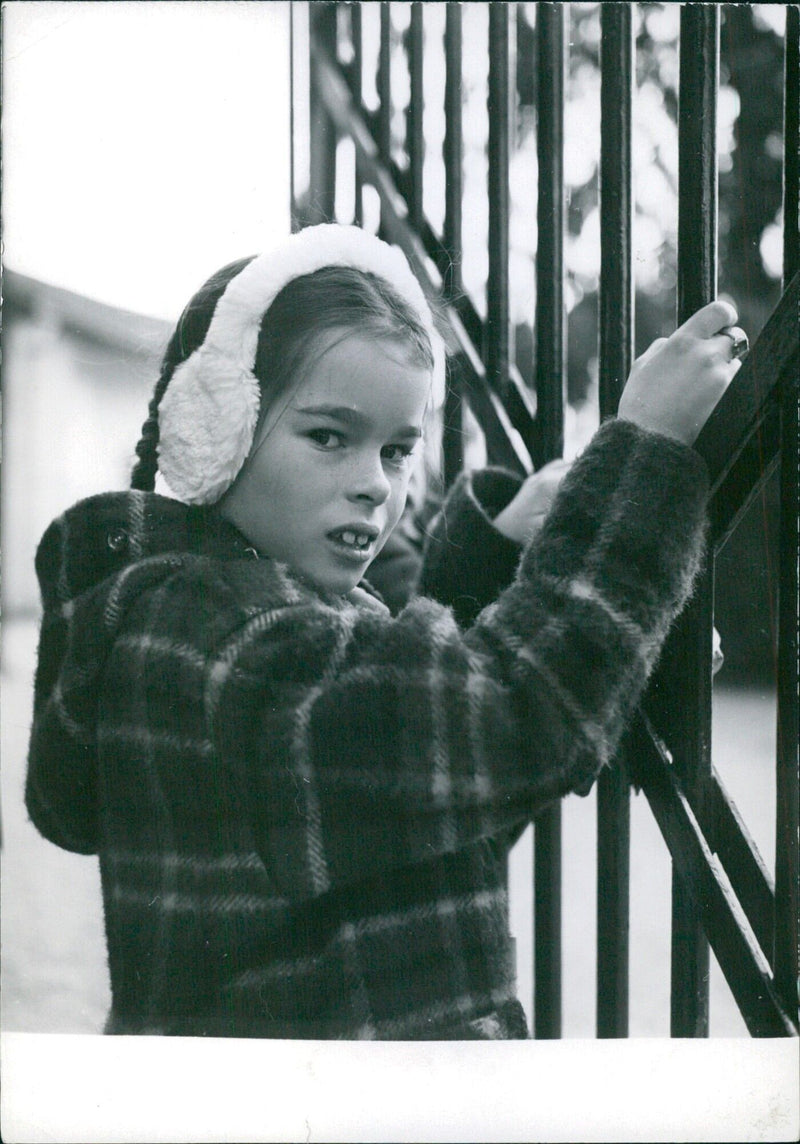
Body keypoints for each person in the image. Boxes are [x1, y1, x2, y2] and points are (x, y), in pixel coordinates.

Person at [26, 223, 745, 1039]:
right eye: (329, 436)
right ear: (210, 431)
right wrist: (644, 455)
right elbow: (508, 723)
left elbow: (414, 805)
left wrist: (501, 555)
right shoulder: (214, 641)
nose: (374, 484)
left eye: (398, 449)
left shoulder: (253, 619)